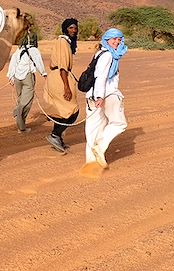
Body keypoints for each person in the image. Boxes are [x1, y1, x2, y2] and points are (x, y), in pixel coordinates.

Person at [84, 28, 128, 169]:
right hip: (106, 94)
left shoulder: (100, 53)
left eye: (119, 39)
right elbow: (101, 76)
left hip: (92, 96)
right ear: (106, 39)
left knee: (94, 127)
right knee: (119, 124)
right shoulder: (109, 55)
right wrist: (99, 96)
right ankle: (100, 146)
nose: (117, 42)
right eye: (114, 39)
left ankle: (91, 162)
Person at [41, 18, 80, 154]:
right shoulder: (63, 42)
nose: (74, 30)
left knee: (63, 110)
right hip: (61, 78)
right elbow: (63, 66)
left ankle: (57, 137)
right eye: (71, 28)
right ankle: (55, 135)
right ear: (65, 29)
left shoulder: (65, 42)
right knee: (72, 111)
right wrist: (66, 87)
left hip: (59, 76)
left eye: (75, 28)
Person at [6, 31, 47, 133]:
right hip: (28, 76)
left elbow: (13, 64)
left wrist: (10, 76)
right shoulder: (34, 50)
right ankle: (20, 121)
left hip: (17, 77)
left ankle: (21, 122)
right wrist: (43, 73)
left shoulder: (18, 50)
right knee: (26, 102)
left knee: (21, 99)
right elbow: (39, 63)